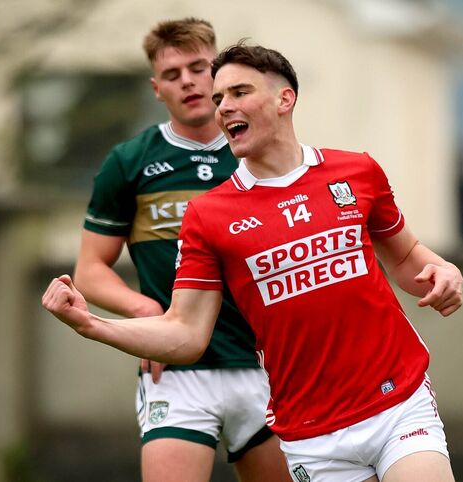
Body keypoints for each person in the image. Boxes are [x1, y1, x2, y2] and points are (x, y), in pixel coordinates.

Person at [45, 41, 463, 482]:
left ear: (285, 99)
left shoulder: (356, 172)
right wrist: (91, 324)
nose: (225, 107)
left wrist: (444, 272)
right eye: (219, 98)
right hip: (311, 434)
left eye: (239, 93)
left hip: (398, 402)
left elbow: (408, 261)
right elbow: (185, 333)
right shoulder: (209, 215)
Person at [71, 20, 289, 482]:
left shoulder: (261, 153)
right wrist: (145, 310)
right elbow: (90, 270)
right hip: (177, 372)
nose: (188, 81)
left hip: (266, 367)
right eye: (172, 74)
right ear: (156, 88)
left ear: (219, 73)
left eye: (198, 68)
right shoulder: (129, 162)